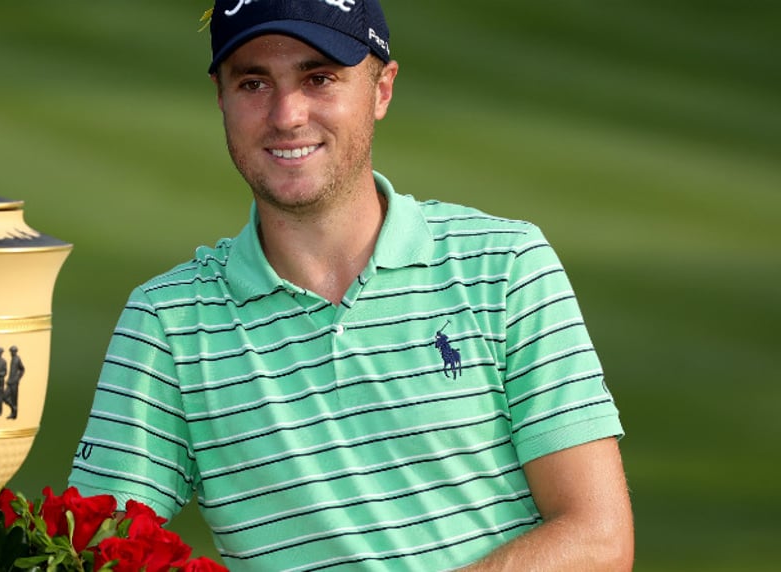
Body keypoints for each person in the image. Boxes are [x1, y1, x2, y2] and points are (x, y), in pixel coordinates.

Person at [67, 2, 633, 571]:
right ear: (221, 96)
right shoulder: (168, 323)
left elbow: (598, 539)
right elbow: (86, 549)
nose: (286, 115)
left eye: (319, 78)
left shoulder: (505, 265)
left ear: (382, 88)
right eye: (254, 82)